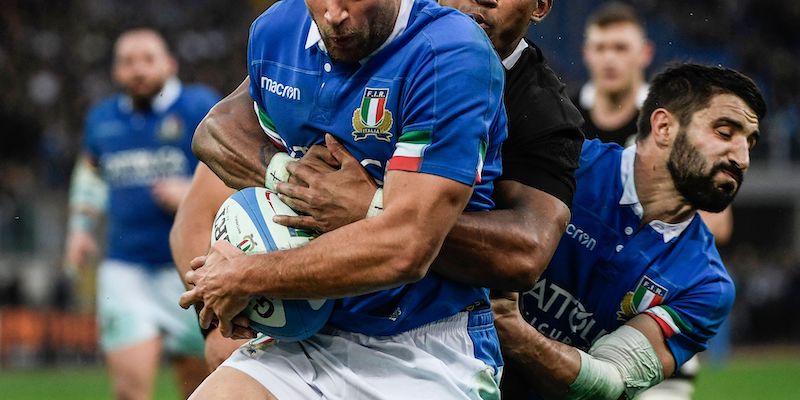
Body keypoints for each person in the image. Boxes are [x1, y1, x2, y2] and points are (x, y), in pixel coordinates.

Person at [172, 0, 584, 372]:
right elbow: (215, 133)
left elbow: (523, 254)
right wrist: (296, 183)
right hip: (316, 322)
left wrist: (372, 208)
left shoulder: (539, 109)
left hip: (446, 336)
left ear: (540, 7)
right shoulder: (321, 40)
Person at [492, 63, 765, 399]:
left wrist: (515, 333)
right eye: (725, 133)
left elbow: (610, 382)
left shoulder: (705, 285)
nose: (742, 157)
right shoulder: (568, 164)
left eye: (749, 142)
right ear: (664, 126)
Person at [63, 28, 219, 400]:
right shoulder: (101, 119)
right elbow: (91, 172)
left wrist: (193, 191)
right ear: (116, 72)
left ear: (170, 64)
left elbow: (237, 168)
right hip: (126, 270)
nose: (137, 70)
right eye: (127, 62)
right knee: (129, 391)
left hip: (193, 268)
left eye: (148, 60)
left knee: (198, 387)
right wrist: (80, 230)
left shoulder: (201, 106)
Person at [575, 1, 653, 147]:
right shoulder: (564, 114)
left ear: (645, 53)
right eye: (600, 48)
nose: (609, 59)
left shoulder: (663, 118)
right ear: (586, 54)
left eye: (620, 48)